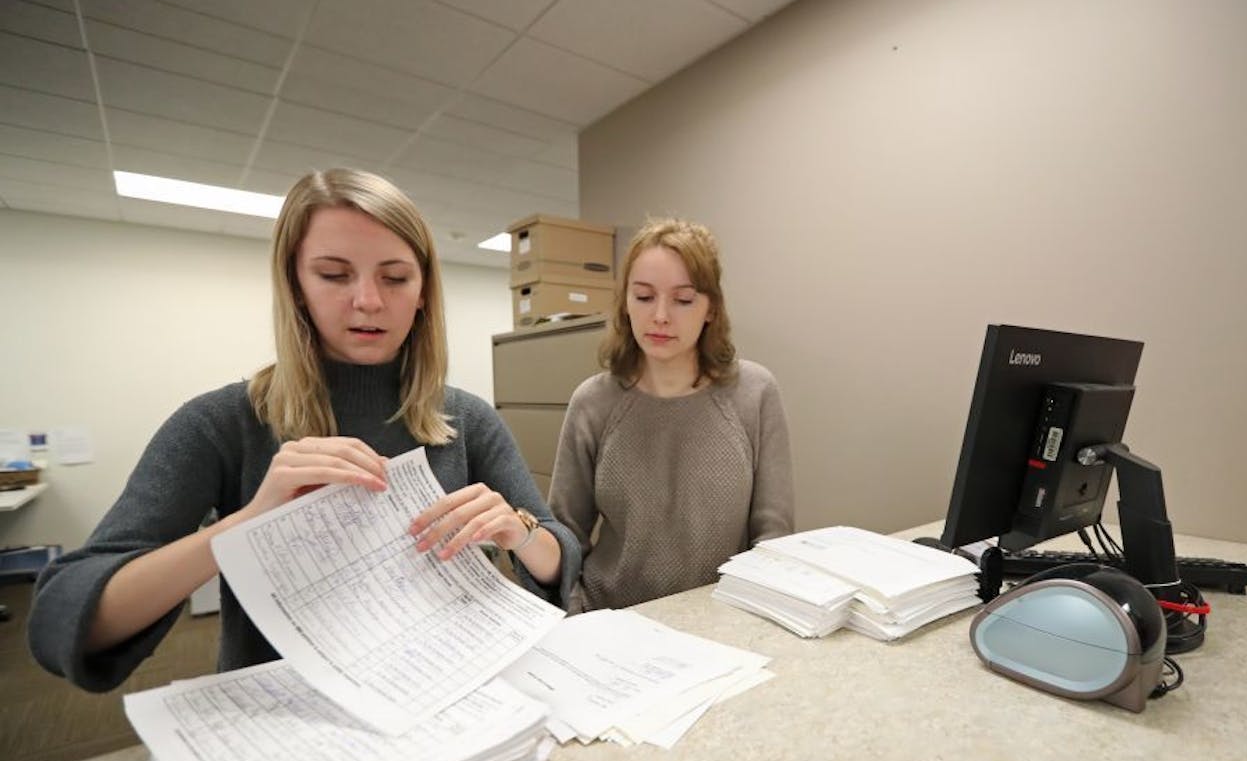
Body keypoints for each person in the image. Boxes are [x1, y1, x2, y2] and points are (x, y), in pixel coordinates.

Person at [29, 168, 579, 691]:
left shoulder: (467, 420)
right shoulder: (221, 424)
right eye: (334, 275)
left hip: (446, 691)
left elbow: (560, 559)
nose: (368, 300)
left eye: (395, 277)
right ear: (295, 285)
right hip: (291, 725)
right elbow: (60, 619)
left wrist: (518, 532)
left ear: (423, 293)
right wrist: (248, 524)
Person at [548, 217, 793, 612]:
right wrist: (578, 618)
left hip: (721, 623)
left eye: (683, 299)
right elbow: (564, 538)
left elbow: (773, 539)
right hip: (612, 620)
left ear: (711, 307)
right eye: (644, 297)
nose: (660, 316)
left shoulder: (755, 393)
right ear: (625, 303)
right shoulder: (593, 402)